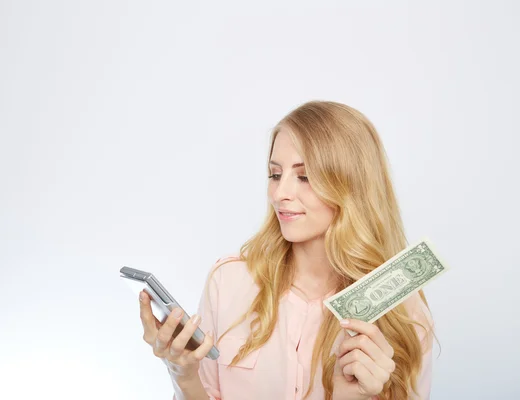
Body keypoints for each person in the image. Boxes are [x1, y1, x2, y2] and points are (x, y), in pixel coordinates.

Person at [138, 101, 434, 400]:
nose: (280, 194)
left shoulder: (403, 312)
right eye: (275, 174)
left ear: (351, 185)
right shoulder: (228, 282)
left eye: (304, 177)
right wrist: (183, 375)